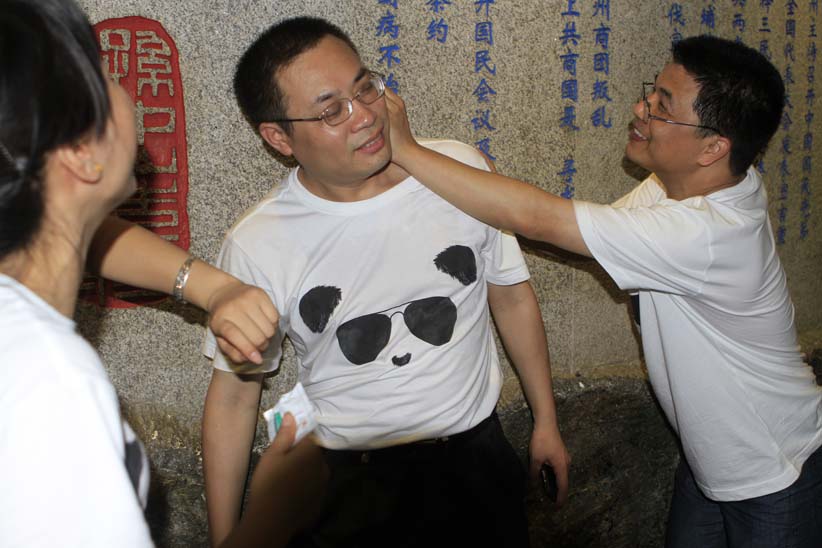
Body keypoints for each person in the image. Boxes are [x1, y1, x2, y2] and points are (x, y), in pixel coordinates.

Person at [386, 35, 822, 547]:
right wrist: (478, 182)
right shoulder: (688, 187)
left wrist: (406, 150)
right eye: (651, 92)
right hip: (713, 461)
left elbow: (541, 220)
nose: (640, 110)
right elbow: (579, 231)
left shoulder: (706, 234)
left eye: (663, 108)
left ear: (713, 148)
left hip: (776, 469)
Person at [201, 16, 570, 548]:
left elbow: (510, 297)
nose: (365, 116)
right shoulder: (259, 242)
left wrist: (546, 420)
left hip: (475, 461)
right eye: (332, 110)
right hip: (344, 485)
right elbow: (235, 397)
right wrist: (224, 538)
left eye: (365, 88)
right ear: (279, 137)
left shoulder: (458, 173)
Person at [0, 1, 326, 546]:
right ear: (80, 152)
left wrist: (213, 287)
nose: (124, 89)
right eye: (106, 75)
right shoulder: (51, 386)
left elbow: (76, 228)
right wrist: (273, 510)